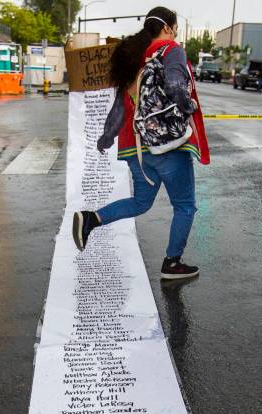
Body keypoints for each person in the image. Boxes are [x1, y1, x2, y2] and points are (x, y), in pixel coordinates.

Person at [71, 6, 210, 281]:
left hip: (136, 147)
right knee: (185, 205)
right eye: (175, 27)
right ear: (168, 28)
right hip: (168, 146)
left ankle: (91, 219)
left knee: (140, 202)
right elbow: (174, 84)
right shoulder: (171, 50)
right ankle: (172, 263)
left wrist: (107, 136)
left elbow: (119, 108)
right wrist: (187, 104)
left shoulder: (134, 59)